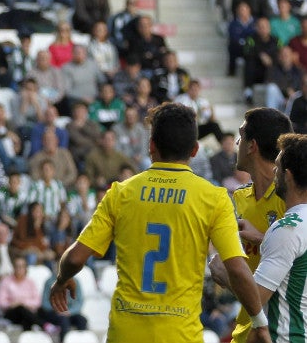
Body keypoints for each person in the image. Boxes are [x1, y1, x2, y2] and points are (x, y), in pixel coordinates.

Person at [49, 103, 272, 343]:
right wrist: (259, 322)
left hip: (126, 334)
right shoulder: (213, 198)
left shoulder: (120, 193)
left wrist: (62, 280)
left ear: (151, 146)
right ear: (195, 150)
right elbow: (237, 268)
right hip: (179, 334)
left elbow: (75, 258)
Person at [209, 107, 293, 343]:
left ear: (251, 146)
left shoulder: (290, 200)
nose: (236, 141)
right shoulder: (239, 198)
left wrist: (229, 276)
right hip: (248, 330)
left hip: (282, 332)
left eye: (241, 135)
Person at [251, 133, 307, 342]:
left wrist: (226, 273)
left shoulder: (287, 228)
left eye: (277, 166)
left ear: (289, 175)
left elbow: (255, 298)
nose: (274, 171)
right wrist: (261, 237)